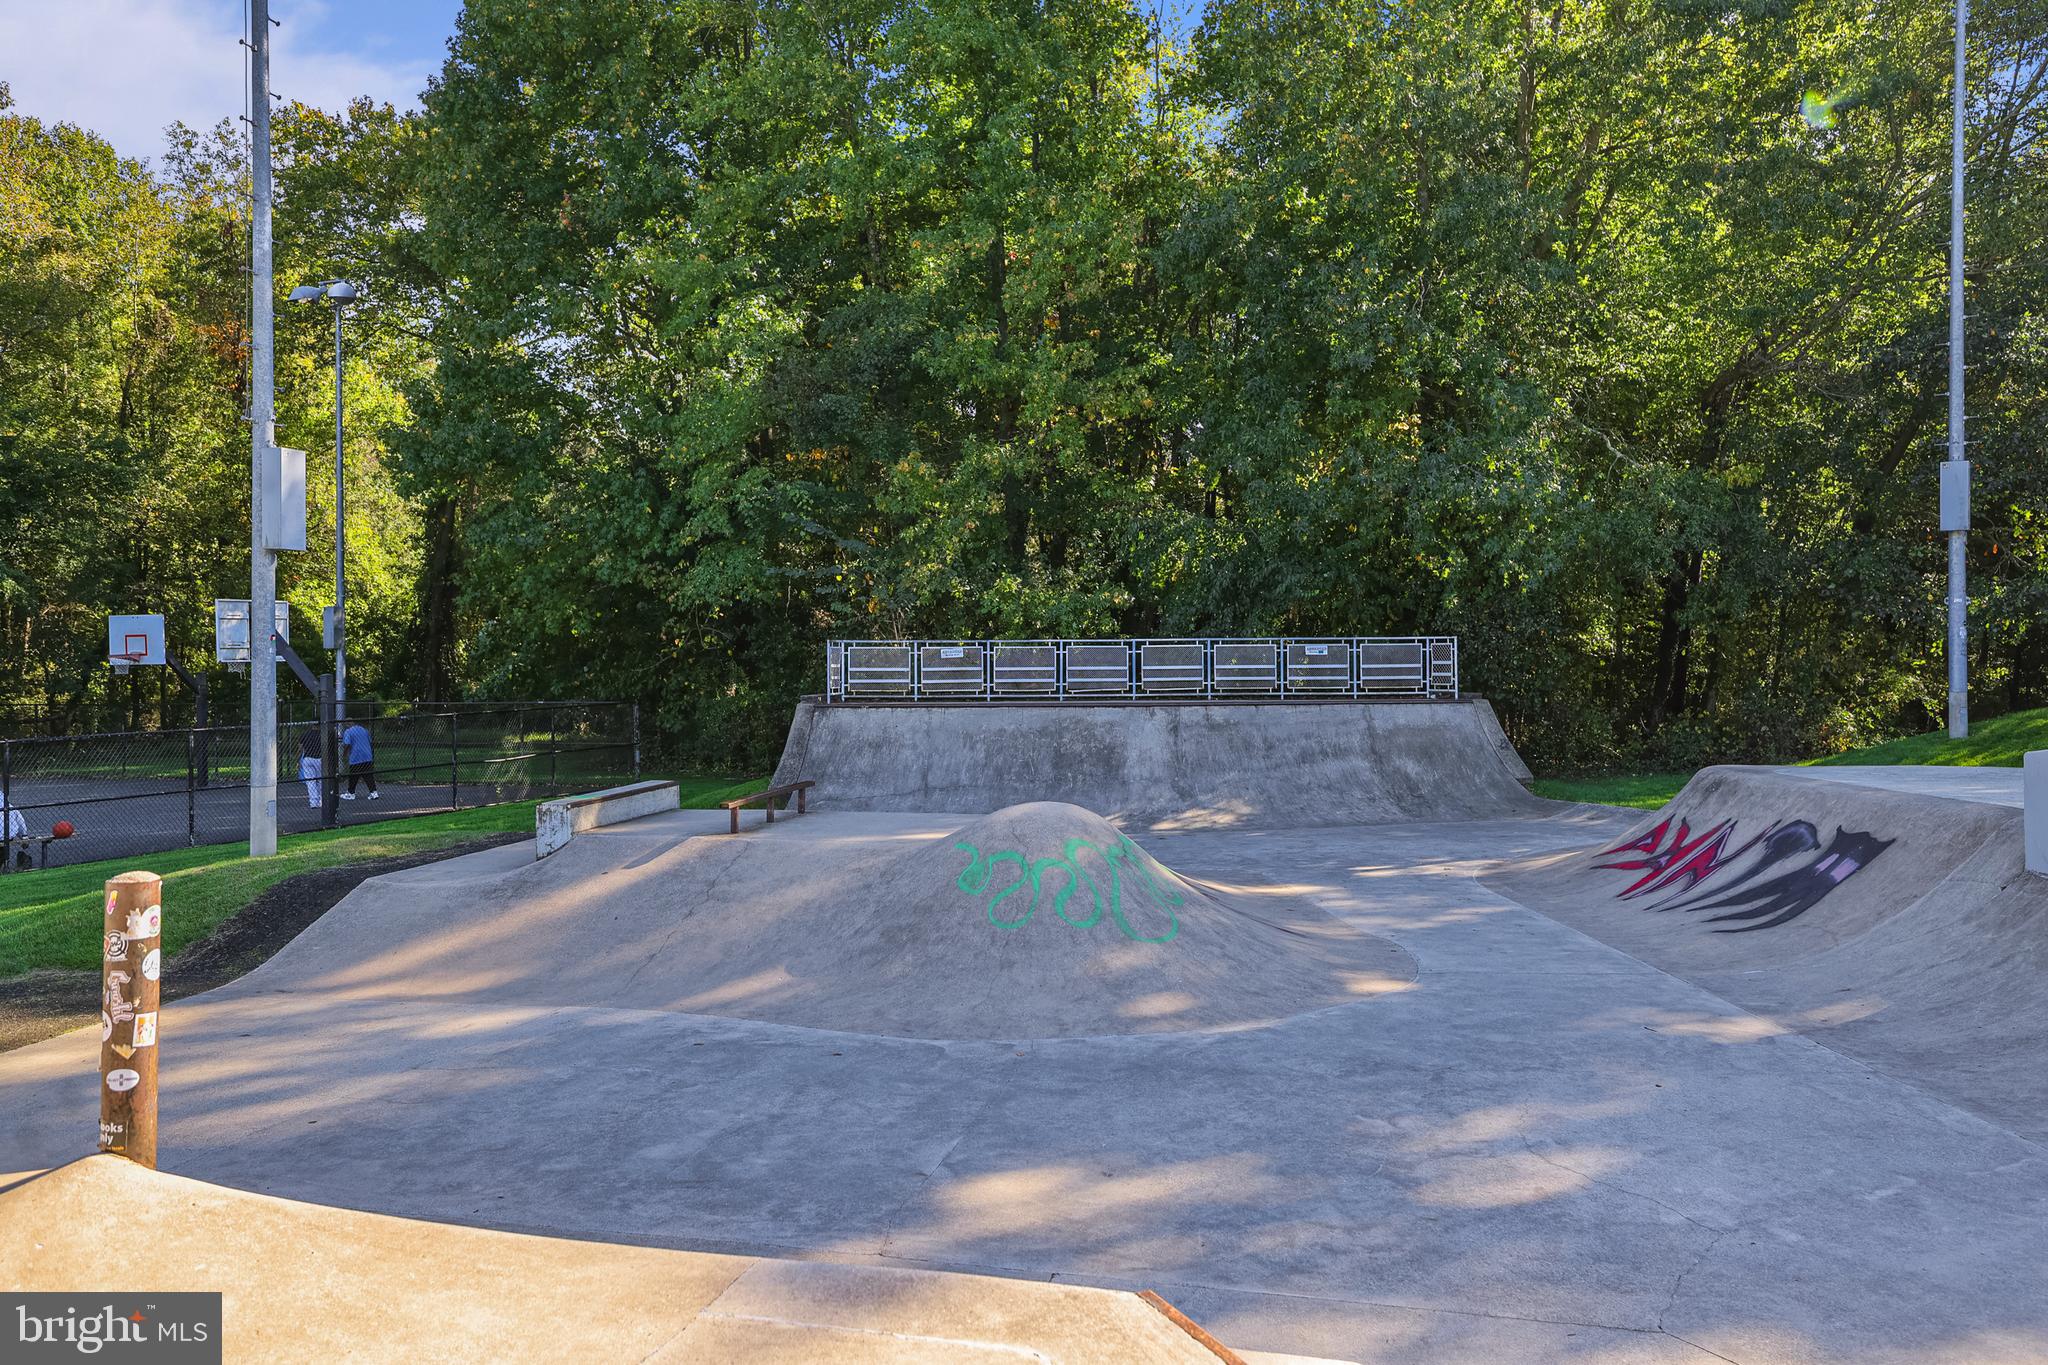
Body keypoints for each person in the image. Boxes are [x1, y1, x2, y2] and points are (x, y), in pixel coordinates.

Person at [340, 718, 379, 800]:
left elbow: (347, 744)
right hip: (367, 756)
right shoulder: (364, 730)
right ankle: (373, 792)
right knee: (368, 775)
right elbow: (370, 741)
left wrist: (344, 754)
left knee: (353, 776)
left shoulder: (348, 731)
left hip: (356, 756)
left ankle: (351, 793)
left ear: (347, 724)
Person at [297, 726, 322, 808]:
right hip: (320, 759)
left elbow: (300, 749)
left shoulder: (305, 734)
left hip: (307, 758)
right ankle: (321, 800)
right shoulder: (323, 734)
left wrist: (298, 760)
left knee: (310, 781)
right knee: (321, 780)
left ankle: (313, 802)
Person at [1, 794, 28, 870]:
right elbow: (19, 820)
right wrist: (24, 836)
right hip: (7, 837)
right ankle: (6, 866)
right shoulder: (7, 804)